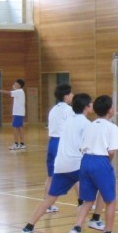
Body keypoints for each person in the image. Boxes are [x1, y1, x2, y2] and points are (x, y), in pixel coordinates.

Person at [21, 93, 97, 233]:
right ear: (86, 106)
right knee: (90, 199)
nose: (92, 105)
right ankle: (77, 228)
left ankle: (28, 227)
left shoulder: (68, 121)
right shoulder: (87, 124)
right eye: (91, 103)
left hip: (61, 165)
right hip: (77, 165)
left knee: (49, 199)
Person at [68, 95, 118, 233]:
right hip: (100, 161)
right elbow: (111, 152)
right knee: (110, 200)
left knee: (88, 200)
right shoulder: (112, 127)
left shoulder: (90, 125)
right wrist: (106, 164)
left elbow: (82, 146)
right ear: (110, 109)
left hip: (85, 161)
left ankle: (77, 228)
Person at [43, 83, 74, 213]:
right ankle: (83, 202)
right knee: (76, 173)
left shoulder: (53, 109)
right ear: (66, 96)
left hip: (52, 143)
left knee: (51, 176)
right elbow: (72, 128)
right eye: (71, 93)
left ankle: (47, 205)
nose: (72, 95)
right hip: (62, 144)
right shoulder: (68, 110)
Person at [0, 79, 26, 150]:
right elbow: (12, 93)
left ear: (19, 85)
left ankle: (16, 144)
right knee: (19, 128)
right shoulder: (19, 91)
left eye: (15, 83)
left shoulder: (19, 91)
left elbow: (8, 93)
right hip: (19, 113)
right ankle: (22, 144)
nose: (14, 85)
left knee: (15, 128)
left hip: (18, 113)